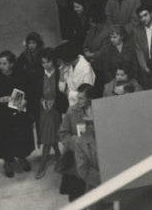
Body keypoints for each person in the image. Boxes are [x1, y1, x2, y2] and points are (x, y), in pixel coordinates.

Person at [0, 50, 35, 177]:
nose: (1, 66)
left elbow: (30, 90)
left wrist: (25, 101)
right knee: (4, 139)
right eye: (0, 63)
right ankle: (7, 161)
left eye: (4, 63)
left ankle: (22, 157)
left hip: (18, 112)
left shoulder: (21, 74)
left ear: (12, 63)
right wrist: (0, 99)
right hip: (2, 116)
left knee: (21, 137)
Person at [57, 84, 94, 201]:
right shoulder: (71, 111)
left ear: (90, 99)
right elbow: (63, 133)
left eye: (81, 98)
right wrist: (74, 142)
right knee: (76, 196)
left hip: (93, 160)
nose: (78, 101)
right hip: (75, 160)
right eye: (78, 97)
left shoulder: (97, 110)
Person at [34, 47, 66, 179]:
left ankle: (43, 163)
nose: (45, 65)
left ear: (53, 61)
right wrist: (42, 100)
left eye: (47, 62)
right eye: (43, 63)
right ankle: (58, 156)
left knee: (49, 135)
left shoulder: (59, 73)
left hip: (55, 109)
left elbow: (62, 91)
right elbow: (35, 92)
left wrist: (54, 100)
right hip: (43, 109)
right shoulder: (39, 74)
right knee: (49, 133)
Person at [15, 32, 45, 127]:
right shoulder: (24, 55)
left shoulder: (43, 54)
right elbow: (17, 66)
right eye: (29, 43)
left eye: (33, 43)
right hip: (29, 85)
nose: (31, 46)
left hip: (40, 84)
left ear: (38, 43)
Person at [55, 41, 96, 106]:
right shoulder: (68, 66)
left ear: (68, 59)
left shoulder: (86, 68)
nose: (60, 63)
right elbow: (62, 88)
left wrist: (69, 93)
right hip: (72, 103)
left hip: (83, 104)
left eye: (62, 61)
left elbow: (87, 93)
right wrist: (61, 74)